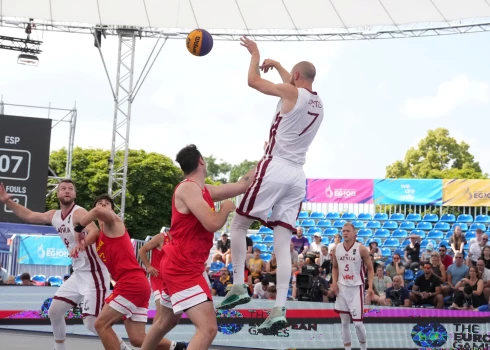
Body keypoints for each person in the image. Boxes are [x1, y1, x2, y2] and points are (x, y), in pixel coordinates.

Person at [215, 36, 324, 335]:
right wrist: (277, 65)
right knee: (283, 244)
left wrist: (256, 53)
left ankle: (238, 285)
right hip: (298, 176)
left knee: (238, 224)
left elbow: (253, 81)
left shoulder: (291, 92)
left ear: (296, 77)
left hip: (274, 166)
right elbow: (294, 83)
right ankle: (279, 309)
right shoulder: (318, 102)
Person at [140, 144, 256, 350]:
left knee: (165, 322)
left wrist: (266, 160)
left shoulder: (204, 189)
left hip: (180, 264)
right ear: (201, 161)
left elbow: (241, 185)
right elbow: (212, 223)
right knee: (208, 329)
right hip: (183, 266)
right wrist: (226, 208)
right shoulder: (188, 188)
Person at [0, 180, 129, 350]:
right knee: (54, 312)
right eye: (63, 189)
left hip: (94, 273)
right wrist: (7, 201)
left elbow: (94, 231)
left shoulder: (79, 212)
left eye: (70, 189)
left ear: (74, 195)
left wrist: (81, 244)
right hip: (78, 274)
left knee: (92, 322)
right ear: (58, 194)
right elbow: (29, 216)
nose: (67, 191)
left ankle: (124, 348)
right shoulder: (53, 215)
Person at [74, 194, 186, 350]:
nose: (103, 205)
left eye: (107, 204)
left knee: (101, 324)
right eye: (100, 203)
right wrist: (78, 243)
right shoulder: (99, 237)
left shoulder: (115, 223)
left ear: (113, 211)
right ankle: (180, 347)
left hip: (131, 283)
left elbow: (96, 212)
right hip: (135, 284)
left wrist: (78, 228)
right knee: (138, 339)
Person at [331, 223, 374, 350]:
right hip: (342, 287)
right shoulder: (336, 248)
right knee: (344, 322)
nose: (345, 233)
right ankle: (347, 349)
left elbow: (370, 269)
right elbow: (334, 267)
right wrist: (334, 282)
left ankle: (363, 347)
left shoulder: (361, 249)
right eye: (343, 231)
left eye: (348, 231)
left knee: (358, 323)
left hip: (356, 288)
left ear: (354, 233)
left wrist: (370, 287)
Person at [138, 227, 172, 324]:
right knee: (161, 308)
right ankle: (153, 338)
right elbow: (141, 250)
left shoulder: (181, 240)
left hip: (171, 280)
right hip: (158, 278)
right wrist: (148, 266)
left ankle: (155, 336)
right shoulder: (161, 237)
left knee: (167, 313)